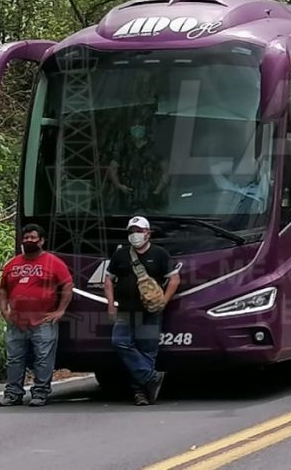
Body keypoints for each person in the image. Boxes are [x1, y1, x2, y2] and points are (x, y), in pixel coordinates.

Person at [104, 216, 181, 405]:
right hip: (125, 311)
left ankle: (141, 393)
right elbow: (108, 280)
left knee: (146, 351)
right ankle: (151, 377)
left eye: (138, 231)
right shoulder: (120, 255)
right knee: (119, 342)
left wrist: (164, 300)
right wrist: (110, 304)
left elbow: (174, 279)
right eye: (131, 231)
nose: (135, 235)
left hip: (150, 312)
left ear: (148, 233)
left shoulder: (160, 254)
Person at [0, 224, 73, 407]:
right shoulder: (12, 264)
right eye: (26, 237)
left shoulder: (53, 262)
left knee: (43, 358)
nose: (29, 240)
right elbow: (2, 289)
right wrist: (4, 310)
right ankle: (13, 394)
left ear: (41, 240)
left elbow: (68, 286)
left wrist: (60, 310)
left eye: (33, 237)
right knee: (14, 359)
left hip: (43, 321)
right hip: (16, 321)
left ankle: (40, 393)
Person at [108, 118, 170, 212]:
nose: (137, 129)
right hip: (128, 197)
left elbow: (165, 171)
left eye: (140, 126)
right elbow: (113, 167)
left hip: (150, 198)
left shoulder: (155, 148)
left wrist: (158, 190)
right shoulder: (123, 148)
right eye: (134, 126)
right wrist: (119, 185)